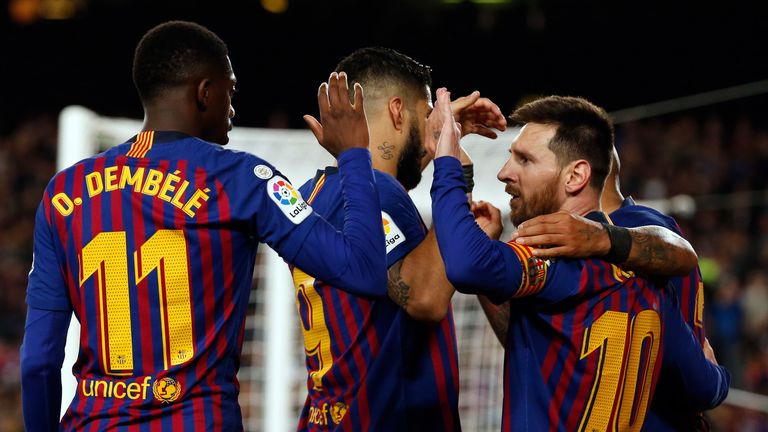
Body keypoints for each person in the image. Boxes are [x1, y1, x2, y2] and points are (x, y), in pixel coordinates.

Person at [20, 21, 388, 431]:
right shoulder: (241, 179)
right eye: (230, 90)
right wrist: (354, 156)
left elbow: (38, 361)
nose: (232, 106)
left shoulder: (63, 192)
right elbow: (364, 272)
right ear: (204, 92)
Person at [429, 93, 729, 430]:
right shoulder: (651, 274)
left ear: (576, 176)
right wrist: (718, 377)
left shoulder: (560, 250)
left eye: (525, 159)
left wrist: (447, 158)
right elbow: (706, 388)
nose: (503, 173)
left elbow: (468, 265)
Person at [291, 46, 507, 431]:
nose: (433, 126)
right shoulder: (378, 192)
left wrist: (435, 139)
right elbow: (423, 298)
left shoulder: (314, 192)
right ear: (396, 110)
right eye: (426, 115)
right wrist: (453, 168)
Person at [513, 146, 715, 430]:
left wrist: (711, 382)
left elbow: (683, 369)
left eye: (530, 161)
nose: (510, 174)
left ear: (577, 173)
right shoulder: (627, 236)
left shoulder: (638, 231)